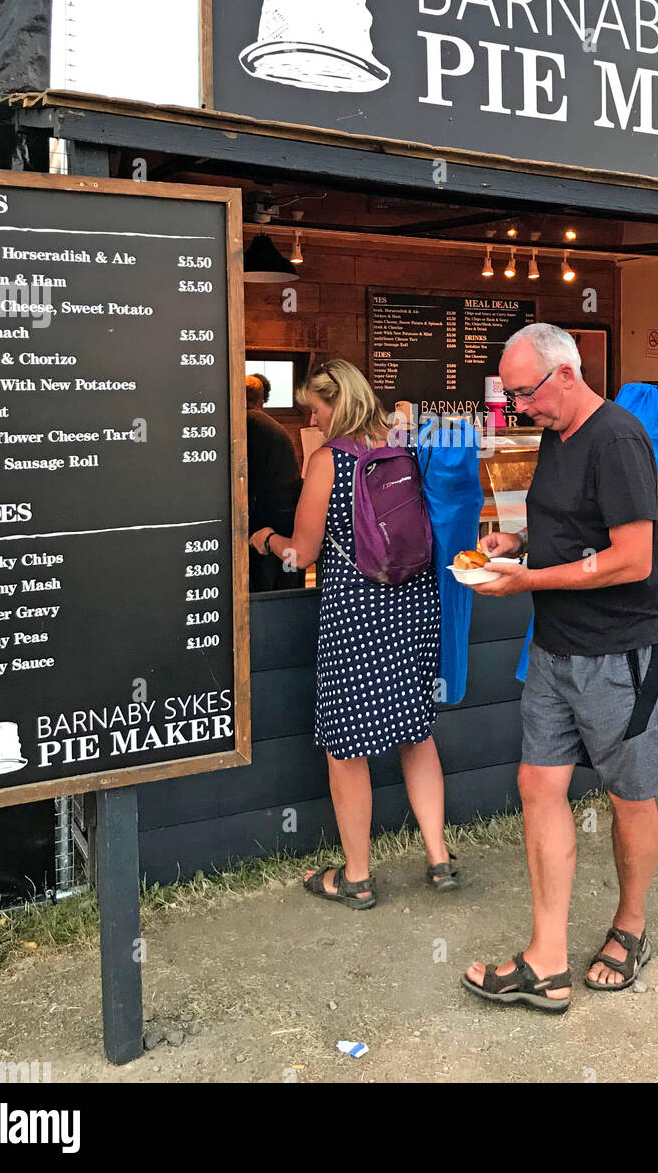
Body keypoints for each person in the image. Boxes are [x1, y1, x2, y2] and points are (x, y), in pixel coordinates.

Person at [460, 323, 658, 1012]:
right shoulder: (556, 434)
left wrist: (527, 582)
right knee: (536, 786)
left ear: (563, 374)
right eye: (511, 395)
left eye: (524, 392)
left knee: (628, 796)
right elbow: (567, 526)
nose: (519, 407)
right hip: (554, 649)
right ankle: (545, 960)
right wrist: (515, 542)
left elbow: (632, 560)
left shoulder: (616, 439)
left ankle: (629, 928)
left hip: (620, 654)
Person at [250, 360, 455, 907]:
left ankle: (357, 877)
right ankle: (438, 858)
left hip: (357, 613)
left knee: (346, 747)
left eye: (314, 408)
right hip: (414, 604)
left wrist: (266, 539)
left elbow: (304, 552)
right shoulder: (407, 445)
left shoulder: (329, 461)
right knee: (416, 732)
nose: (311, 418)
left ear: (335, 402)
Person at [244, 375, 304, 592]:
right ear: (262, 400)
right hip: (288, 515)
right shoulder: (267, 424)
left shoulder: (248, 424)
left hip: (268, 517)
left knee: (265, 586)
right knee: (287, 584)